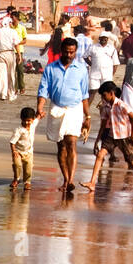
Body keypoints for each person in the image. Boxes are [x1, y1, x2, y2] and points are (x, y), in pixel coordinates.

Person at [35, 37, 90, 192]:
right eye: (66, 51)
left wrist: (88, 117)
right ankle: (65, 179)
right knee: (61, 146)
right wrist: (40, 107)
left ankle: (71, 180)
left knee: (72, 143)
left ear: (76, 52)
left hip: (75, 110)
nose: (69, 55)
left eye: (72, 52)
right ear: (61, 51)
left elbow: (84, 94)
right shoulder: (51, 68)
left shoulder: (81, 69)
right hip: (56, 109)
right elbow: (43, 90)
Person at [82, 81, 133, 195]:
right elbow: (103, 124)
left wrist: (132, 135)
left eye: (104, 95)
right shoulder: (106, 107)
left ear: (111, 93)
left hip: (123, 137)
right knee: (100, 155)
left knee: (132, 161)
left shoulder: (121, 104)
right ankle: (92, 182)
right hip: (112, 136)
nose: (103, 98)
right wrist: (98, 140)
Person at [0, 19, 23, 101]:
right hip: (10, 53)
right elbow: (16, 44)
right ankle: (11, 94)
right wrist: (19, 55)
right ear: (9, 23)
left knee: (1, 74)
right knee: (11, 74)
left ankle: (3, 94)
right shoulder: (13, 32)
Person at [86, 32, 118, 106]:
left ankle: (108, 111)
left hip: (107, 76)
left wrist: (111, 75)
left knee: (107, 93)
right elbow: (85, 56)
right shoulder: (93, 47)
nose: (103, 39)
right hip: (94, 74)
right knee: (92, 92)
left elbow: (115, 63)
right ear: (99, 39)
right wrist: (91, 64)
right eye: (102, 38)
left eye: (105, 38)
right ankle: (85, 111)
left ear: (107, 39)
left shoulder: (112, 49)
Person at [9, 107, 37, 190]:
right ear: (21, 119)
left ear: (32, 120)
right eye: (24, 120)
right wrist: (14, 151)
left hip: (29, 152)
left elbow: (38, 118)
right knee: (17, 165)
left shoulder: (33, 125)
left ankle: (27, 182)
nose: (26, 122)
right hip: (18, 151)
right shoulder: (18, 130)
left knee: (29, 167)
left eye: (29, 121)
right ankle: (16, 179)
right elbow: (12, 142)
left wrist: (40, 114)